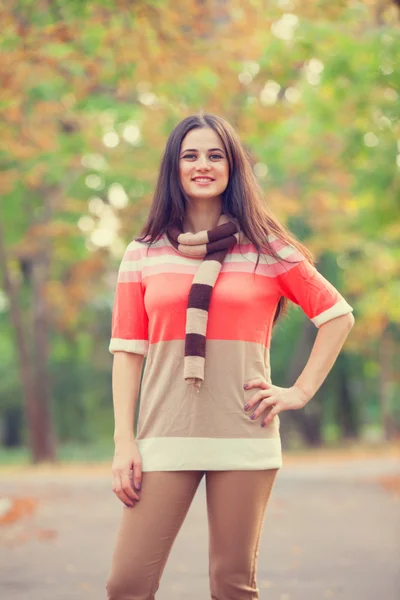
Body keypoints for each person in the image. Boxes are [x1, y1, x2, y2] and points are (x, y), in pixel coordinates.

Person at [105, 112, 355, 599]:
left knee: (232, 586)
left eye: (215, 155)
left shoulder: (268, 249)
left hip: (243, 435)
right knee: (127, 584)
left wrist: (299, 391)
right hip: (163, 436)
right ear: (174, 169)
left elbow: (337, 315)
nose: (203, 165)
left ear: (232, 167)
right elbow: (128, 351)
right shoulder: (144, 253)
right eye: (190, 155)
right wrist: (123, 441)